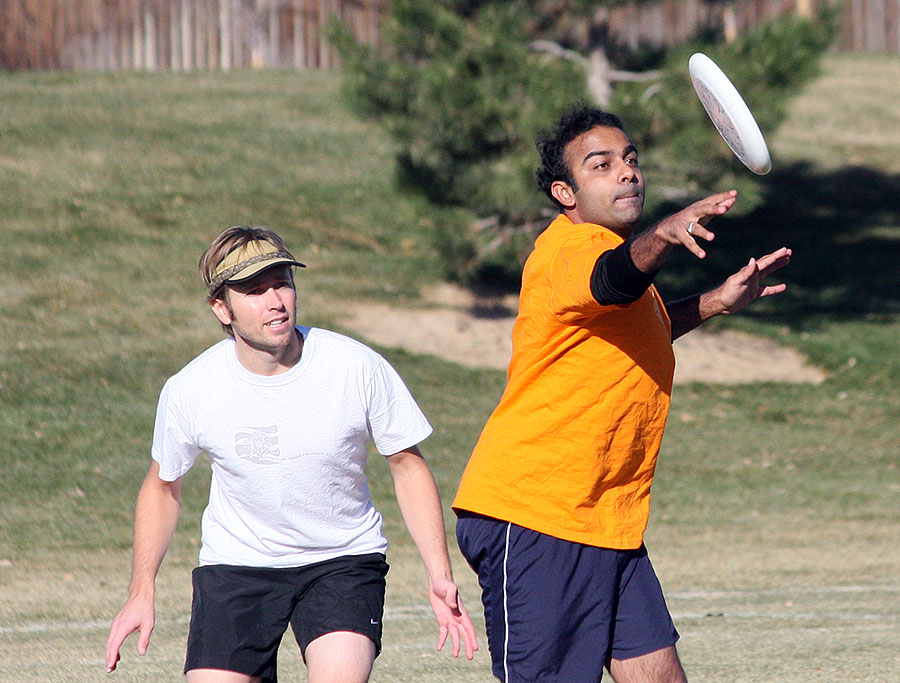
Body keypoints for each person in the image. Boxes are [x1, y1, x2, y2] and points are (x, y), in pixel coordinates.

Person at [452, 105, 792, 682]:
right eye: (601, 165)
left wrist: (713, 303)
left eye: (631, 159)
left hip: (606, 518)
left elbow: (638, 324)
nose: (627, 172)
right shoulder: (568, 251)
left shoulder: (614, 259)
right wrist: (663, 233)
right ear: (566, 192)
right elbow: (614, 280)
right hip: (536, 515)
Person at [106, 226, 478, 682]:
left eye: (281, 282)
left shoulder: (355, 366)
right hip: (237, 565)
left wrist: (439, 572)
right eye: (253, 291)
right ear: (221, 308)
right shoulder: (191, 388)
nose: (274, 301)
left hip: (342, 560)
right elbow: (163, 487)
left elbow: (407, 465)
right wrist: (141, 590)